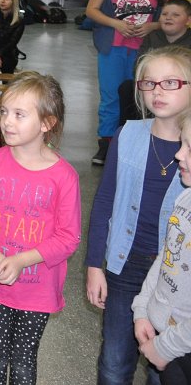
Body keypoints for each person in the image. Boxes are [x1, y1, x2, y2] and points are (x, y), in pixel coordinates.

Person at [0, 72, 80, 385]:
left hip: (37, 290)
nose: (7, 122)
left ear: (47, 123)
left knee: (24, 360)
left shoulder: (64, 177)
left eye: (19, 114)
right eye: (4, 112)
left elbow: (68, 238)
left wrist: (21, 261)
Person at [86, 45, 191, 385]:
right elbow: (104, 201)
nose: (157, 91)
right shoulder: (128, 134)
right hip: (125, 264)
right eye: (149, 83)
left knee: (165, 368)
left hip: (176, 277)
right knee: (114, 363)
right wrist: (94, 265)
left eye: (170, 82)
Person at [86, 0, 174, 166]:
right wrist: (116, 23)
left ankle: (135, 143)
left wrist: (152, 26)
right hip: (112, 48)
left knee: (141, 97)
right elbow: (91, 10)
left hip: (145, 51)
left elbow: (172, 17)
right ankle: (106, 144)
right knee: (111, 97)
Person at [133, 113, 191, 384]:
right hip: (167, 340)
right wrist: (143, 310)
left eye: (189, 147)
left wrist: (166, 347)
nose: (179, 154)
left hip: (179, 345)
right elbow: (166, 259)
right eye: (182, 143)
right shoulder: (185, 198)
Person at [119, 0, 191, 124]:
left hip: (181, 87)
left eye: (175, 15)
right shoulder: (152, 36)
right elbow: (139, 66)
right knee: (127, 88)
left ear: (188, 20)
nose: (168, 18)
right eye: (164, 14)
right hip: (153, 83)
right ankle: (131, 128)